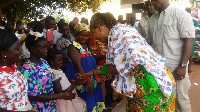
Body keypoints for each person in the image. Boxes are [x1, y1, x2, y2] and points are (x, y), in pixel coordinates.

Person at [90, 12, 176, 111]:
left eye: (93, 33)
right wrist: (86, 74)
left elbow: (118, 66)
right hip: (158, 83)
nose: (96, 39)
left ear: (99, 27)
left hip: (150, 88)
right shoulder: (124, 30)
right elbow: (111, 66)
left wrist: (116, 70)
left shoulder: (118, 33)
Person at [151, 0, 195, 112]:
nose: (153, 2)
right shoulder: (153, 19)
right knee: (163, 101)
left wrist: (183, 65)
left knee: (180, 101)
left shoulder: (180, 14)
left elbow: (189, 40)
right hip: (159, 70)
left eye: (155, 0)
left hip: (176, 68)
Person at [20, 34, 76, 112]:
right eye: (43, 48)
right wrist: (61, 95)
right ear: (33, 49)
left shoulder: (43, 62)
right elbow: (34, 95)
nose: (46, 50)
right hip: (38, 108)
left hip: (51, 105)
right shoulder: (27, 69)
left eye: (46, 47)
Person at [66, 23, 105, 112]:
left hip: (92, 80)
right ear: (76, 35)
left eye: (87, 36)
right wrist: (87, 82)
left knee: (94, 105)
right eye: (82, 35)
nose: (84, 38)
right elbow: (77, 65)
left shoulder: (86, 47)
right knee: (85, 105)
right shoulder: (73, 47)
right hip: (83, 81)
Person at [0, 29, 33, 111]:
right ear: (4, 53)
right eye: (17, 48)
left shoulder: (13, 66)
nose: (21, 50)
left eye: (20, 46)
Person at [185, 7, 199, 73]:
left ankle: (189, 67)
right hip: (184, 39)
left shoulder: (194, 21)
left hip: (190, 39)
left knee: (190, 54)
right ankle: (186, 67)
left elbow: (195, 30)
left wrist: (187, 32)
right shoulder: (183, 20)